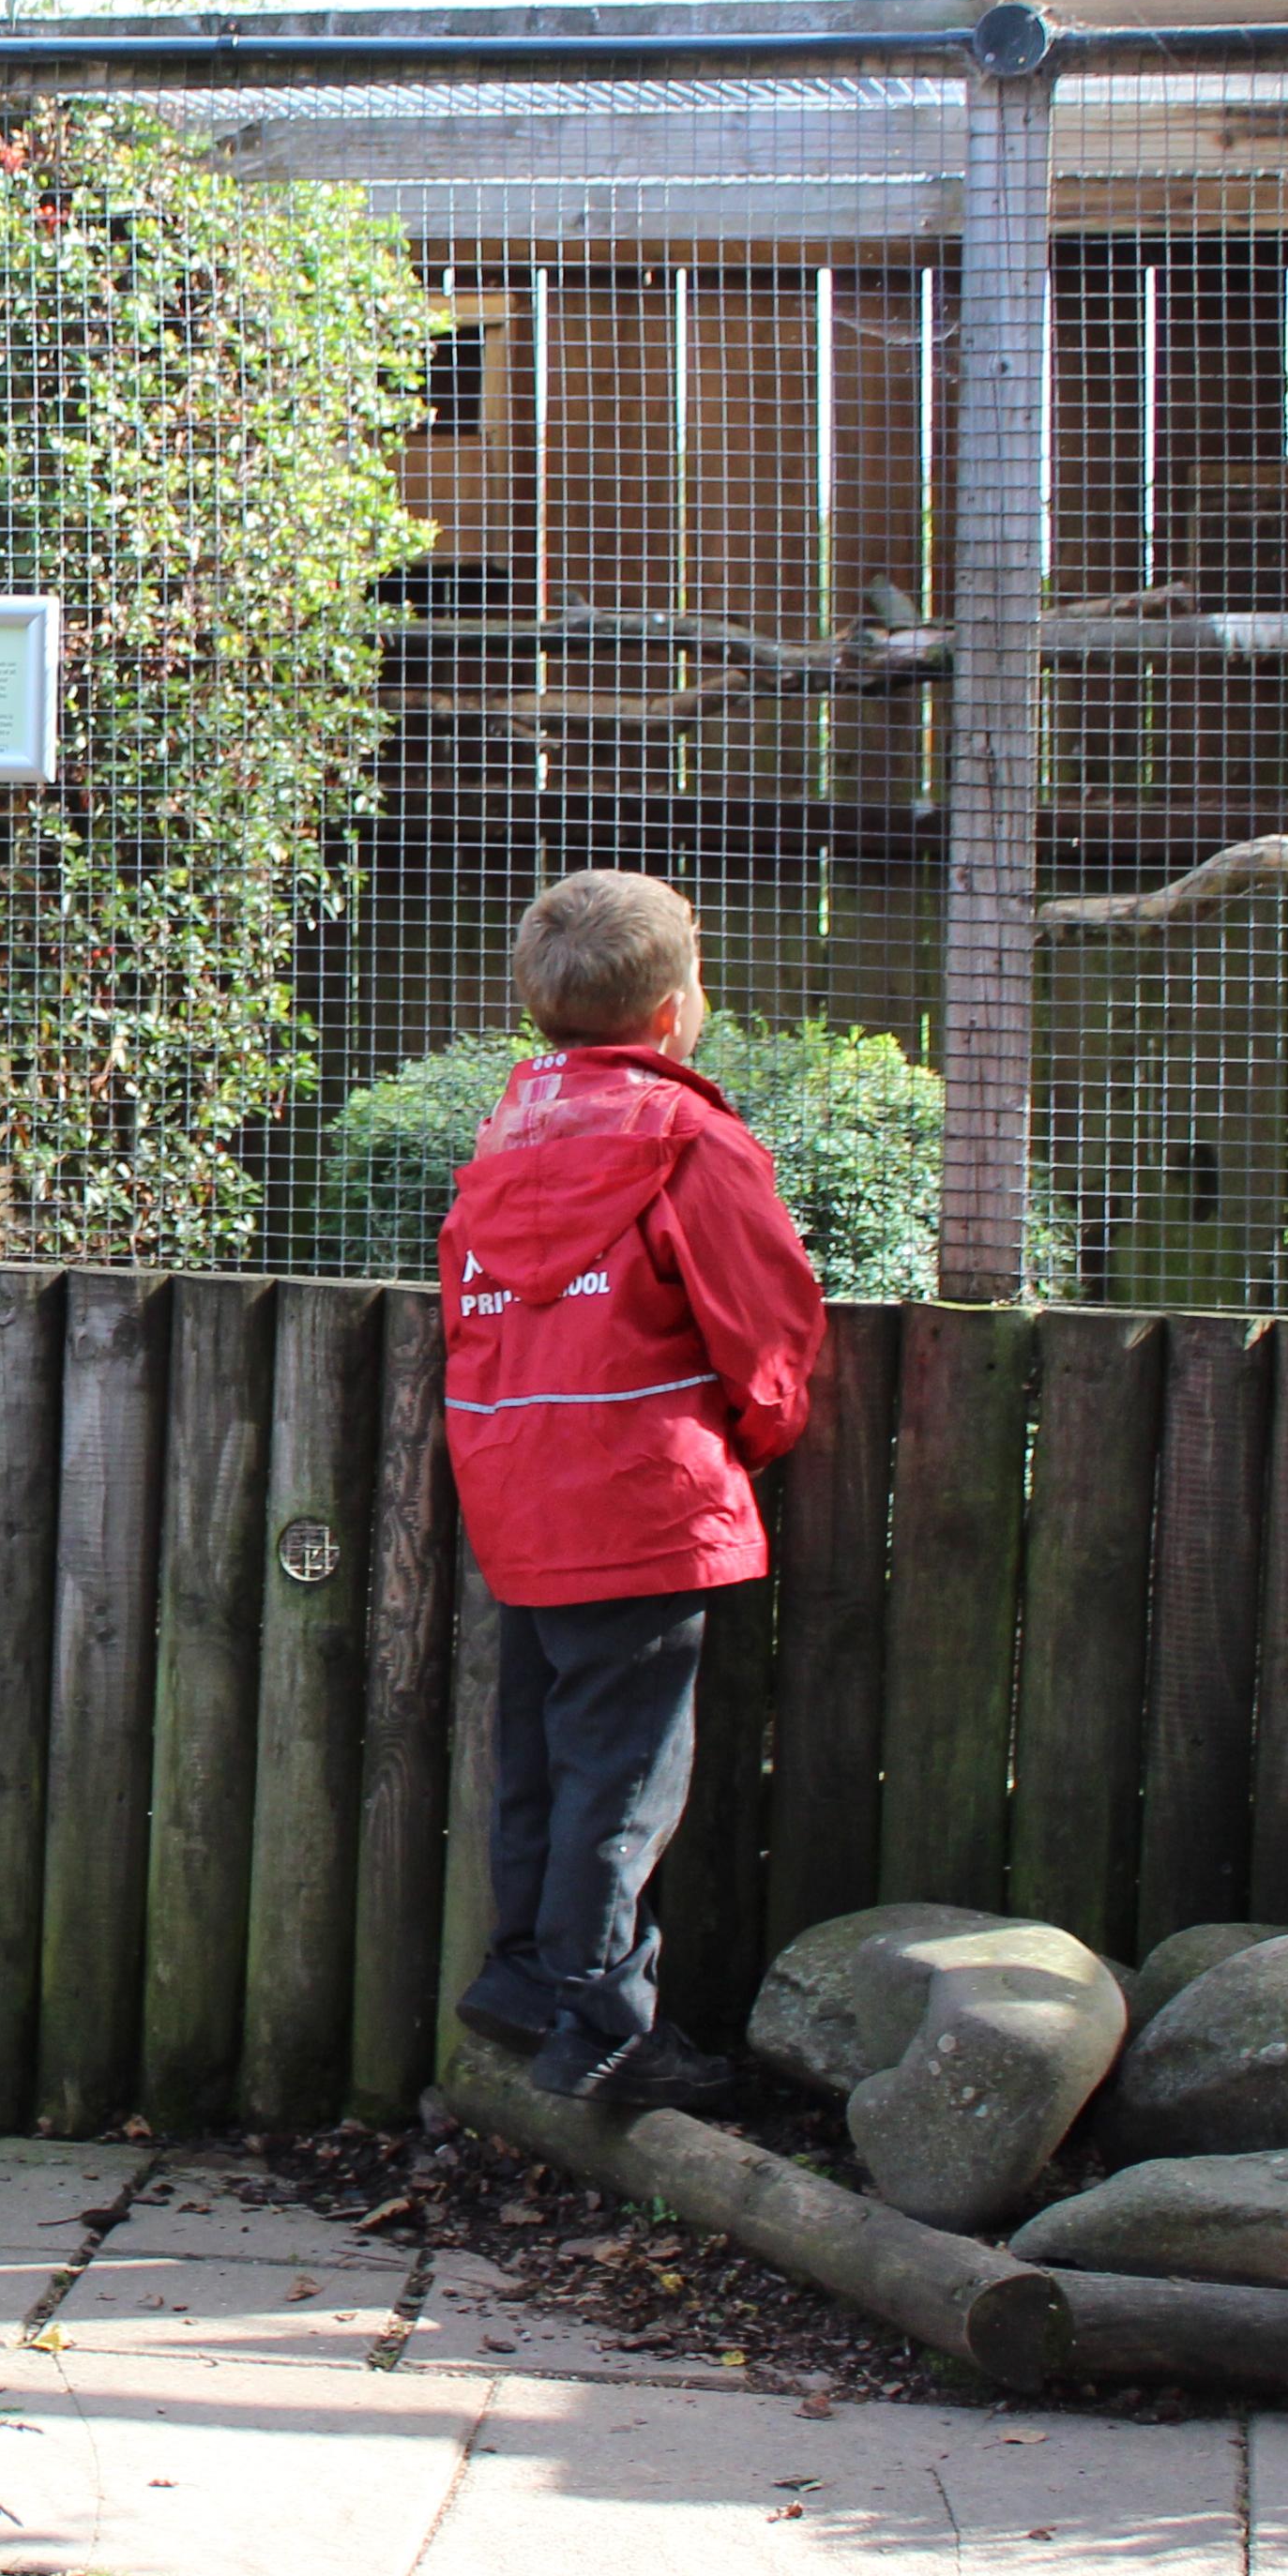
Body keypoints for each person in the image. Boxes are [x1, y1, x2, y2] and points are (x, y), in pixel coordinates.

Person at [437, 870, 826, 2110]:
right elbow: (767, 1324)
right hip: (643, 1501)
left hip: (520, 1486)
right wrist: (756, 1438)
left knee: (544, 1753)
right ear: (673, 1009)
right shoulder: (692, 1143)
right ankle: (602, 2022)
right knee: (627, 1774)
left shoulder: (505, 1138)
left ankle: (520, 1976)